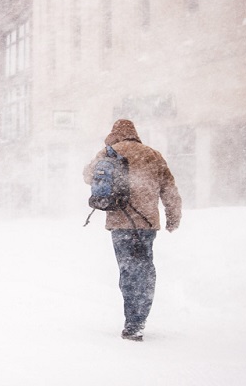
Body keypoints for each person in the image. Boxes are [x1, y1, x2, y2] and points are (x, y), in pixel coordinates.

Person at [83, 119, 182, 341]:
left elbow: (87, 176)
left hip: (119, 223)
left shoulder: (108, 153)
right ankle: (140, 318)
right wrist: (173, 217)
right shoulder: (152, 155)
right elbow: (169, 188)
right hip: (146, 223)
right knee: (145, 269)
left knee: (127, 270)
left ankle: (131, 320)